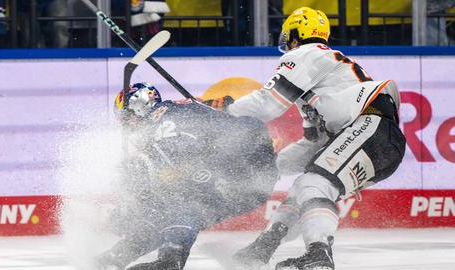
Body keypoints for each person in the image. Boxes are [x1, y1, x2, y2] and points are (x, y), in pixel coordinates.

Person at [221, 7, 406, 270]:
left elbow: (267, 105)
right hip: (380, 140)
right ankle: (265, 246)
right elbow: (315, 143)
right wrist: (272, 166)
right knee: (302, 190)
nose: (287, 42)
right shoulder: (323, 77)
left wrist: (224, 109)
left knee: (314, 183)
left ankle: (319, 255)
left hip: (371, 126)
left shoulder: (306, 53)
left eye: (289, 36)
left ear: (297, 34)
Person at [97, 82, 278, 270]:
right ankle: (119, 255)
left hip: (246, 166)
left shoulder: (162, 116)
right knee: (164, 207)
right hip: (250, 171)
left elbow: (182, 158)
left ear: (141, 106)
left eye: (128, 117)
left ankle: (170, 260)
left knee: (182, 196)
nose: (128, 125)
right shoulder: (170, 115)